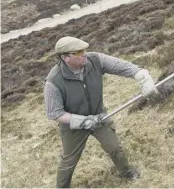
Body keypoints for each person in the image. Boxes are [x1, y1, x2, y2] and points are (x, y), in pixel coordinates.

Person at [43, 36, 159, 188]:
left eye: (84, 49)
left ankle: (126, 172)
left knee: (115, 148)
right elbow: (54, 113)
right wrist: (83, 121)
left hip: (99, 117)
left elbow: (121, 66)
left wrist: (141, 75)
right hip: (73, 126)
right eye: (78, 52)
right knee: (69, 160)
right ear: (65, 58)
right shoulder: (53, 81)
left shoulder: (95, 60)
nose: (84, 53)